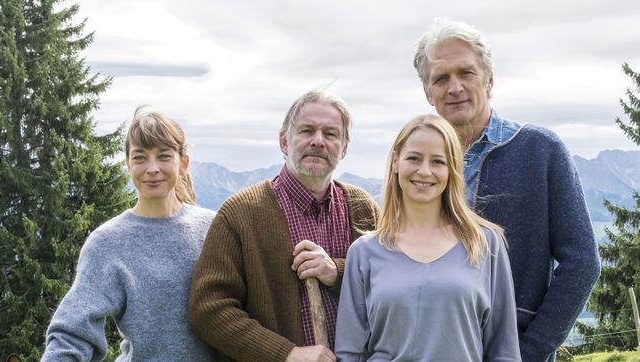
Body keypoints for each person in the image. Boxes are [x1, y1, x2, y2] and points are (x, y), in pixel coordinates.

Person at [413, 19, 601, 361]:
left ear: (489, 80)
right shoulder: (418, 166)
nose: (454, 87)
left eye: (466, 73)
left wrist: (528, 352)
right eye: (441, 78)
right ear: (428, 92)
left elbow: (583, 262)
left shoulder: (540, 150)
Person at [188, 89, 379, 362]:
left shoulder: (362, 207)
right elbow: (209, 310)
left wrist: (337, 272)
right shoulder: (240, 213)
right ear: (283, 142)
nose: (318, 141)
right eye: (306, 131)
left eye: (331, 134)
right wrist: (286, 354)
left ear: (344, 148)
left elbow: (392, 282)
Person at [41, 107, 223, 361]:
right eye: (140, 157)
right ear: (128, 165)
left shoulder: (214, 227)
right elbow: (73, 332)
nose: (152, 168)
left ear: (183, 163)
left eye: (163, 156)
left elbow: (255, 302)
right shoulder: (107, 243)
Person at [335, 114, 520, 361]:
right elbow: (349, 352)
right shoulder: (364, 251)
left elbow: (504, 351)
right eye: (414, 158)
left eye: (437, 161)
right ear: (395, 162)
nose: (424, 171)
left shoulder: (485, 243)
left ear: (452, 169)